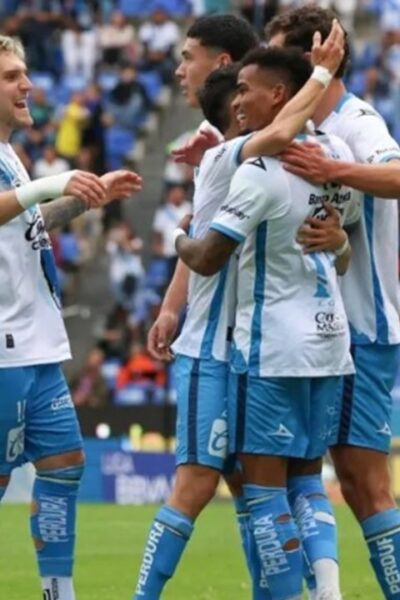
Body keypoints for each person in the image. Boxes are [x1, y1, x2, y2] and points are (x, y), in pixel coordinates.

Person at [135, 24, 349, 598]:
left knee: (257, 491)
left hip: (254, 348)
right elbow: (280, 129)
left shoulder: (257, 157)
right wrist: (321, 74)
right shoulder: (232, 157)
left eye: (188, 58)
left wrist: (338, 240)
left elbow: (282, 136)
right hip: (216, 349)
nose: (179, 69)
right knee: (202, 485)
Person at [0, 35, 142, 600]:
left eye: (24, 73)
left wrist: (85, 197)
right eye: (11, 76)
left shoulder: (9, 154)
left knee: (65, 464)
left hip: (36, 344)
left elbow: (25, 224)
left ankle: (59, 594)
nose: (27, 84)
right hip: (4, 348)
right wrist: (53, 183)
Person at [265, 6, 400, 599]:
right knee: (295, 474)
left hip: (362, 326)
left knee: (364, 483)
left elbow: (397, 174)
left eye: (277, 54)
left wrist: (332, 169)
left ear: (311, 57)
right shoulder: (298, 126)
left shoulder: (357, 120)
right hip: (316, 331)